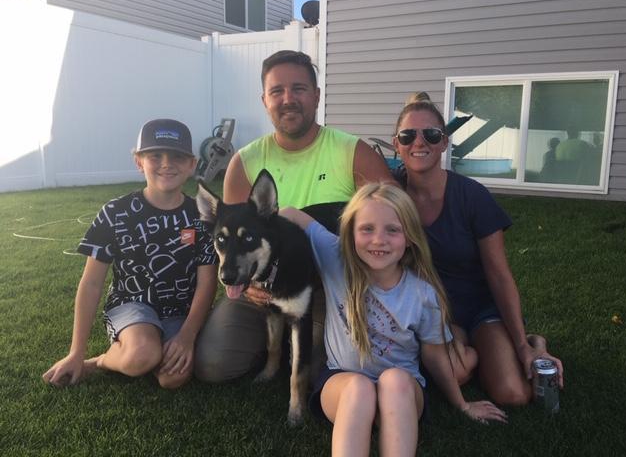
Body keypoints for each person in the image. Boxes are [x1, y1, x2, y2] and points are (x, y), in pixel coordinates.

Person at [194, 50, 393, 383]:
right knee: (215, 364)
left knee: (328, 368)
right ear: (264, 100)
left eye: (299, 89)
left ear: (316, 95)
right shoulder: (244, 161)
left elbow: (394, 224)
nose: (288, 99)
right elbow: (228, 238)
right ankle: (273, 341)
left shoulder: (353, 151)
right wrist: (246, 287)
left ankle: (297, 344)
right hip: (260, 287)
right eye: (277, 91)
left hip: (331, 288)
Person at [281, 184, 507, 457]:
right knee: (359, 388)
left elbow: (436, 357)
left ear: (410, 237)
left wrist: (461, 404)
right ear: (350, 232)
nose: (379, 240)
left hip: (404, 394)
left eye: (393, 230)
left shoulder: (423, 294)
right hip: (342, 385)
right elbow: (290, 213)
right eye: (367, 229)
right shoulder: (335, 256)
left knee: (395, 380)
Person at [392, 93, 564, 405]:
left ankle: (531, 341)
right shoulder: (390, 195)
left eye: (431, 134)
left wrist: (524, 349)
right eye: (408, 135)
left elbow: (499, 275)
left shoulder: (473, 196)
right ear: (396, 144)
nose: (419, 142)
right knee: (455, 374)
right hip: (435, 314)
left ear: (444, 143)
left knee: (513, 393)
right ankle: (476, 350)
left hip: (481, 309)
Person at [42, 119, 217, 389]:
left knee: (174, 378)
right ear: (139, 161)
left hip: (179, 312)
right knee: (142, 355)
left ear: (192, 164)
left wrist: (187, 336)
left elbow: (207, 282)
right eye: (155, 155)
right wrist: (76, 352)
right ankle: (99, 361)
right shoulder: (116, 212)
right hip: (131, 305)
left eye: (177, 157)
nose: (166, 164)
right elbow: (91, 283)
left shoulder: (201, 216)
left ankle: (152, 348)